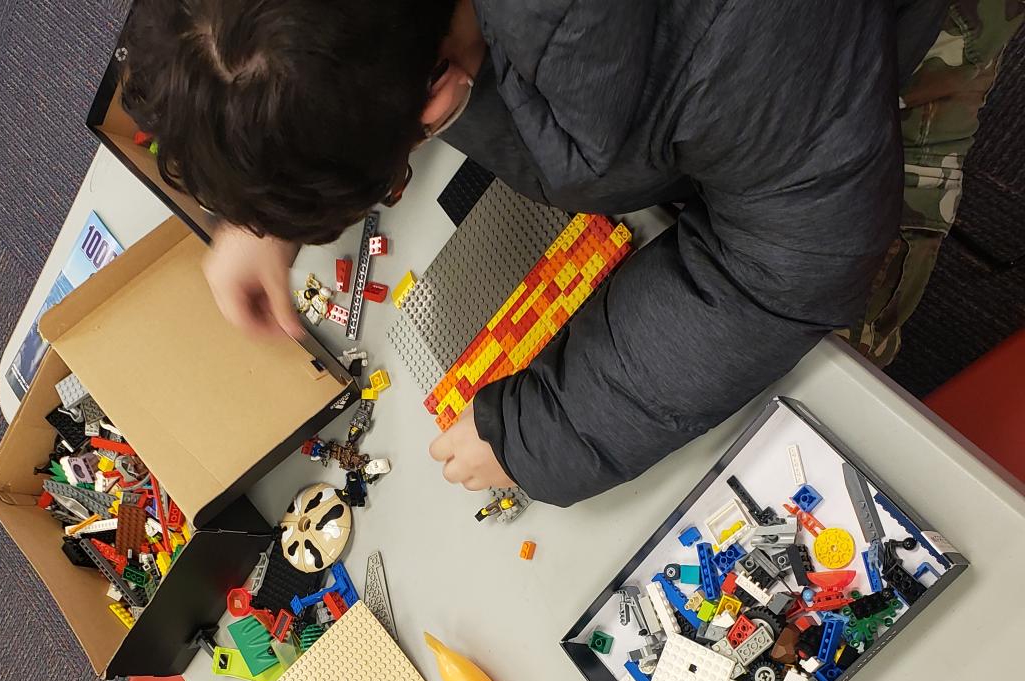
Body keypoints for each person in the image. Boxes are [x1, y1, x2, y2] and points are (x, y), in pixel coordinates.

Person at [120, 1, 1022, 507]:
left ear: (436, 103)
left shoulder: (737, 58)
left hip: (830, 54)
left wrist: (544, 428)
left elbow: (790, 268)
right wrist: (265, 136)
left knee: (845, 352)